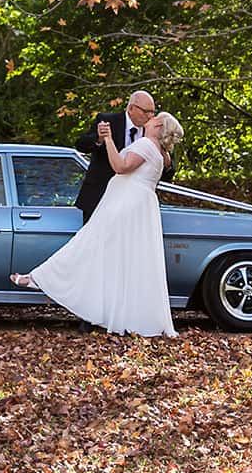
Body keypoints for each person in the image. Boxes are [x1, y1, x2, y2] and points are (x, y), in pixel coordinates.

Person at [11, 111, 184, 337]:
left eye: (153, 115)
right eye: (147, 111)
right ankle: (123, 315)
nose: (149, 117)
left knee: (88, 245)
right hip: (139, 207)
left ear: (158, 123)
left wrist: (110, 139)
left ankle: (41, 278)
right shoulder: (162, 152)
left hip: (124, 204)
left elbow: (121, 167)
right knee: (129, 262)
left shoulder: (146, 144)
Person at [73, 89, 173, 222]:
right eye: (146, 111)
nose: (150, 116)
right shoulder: (108, 121)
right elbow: (81, 145)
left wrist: (166, 161)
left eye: (152, 112)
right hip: (100, 196)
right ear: (131, 108)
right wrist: (100, 138)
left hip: (134, 204)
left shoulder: (154, 131)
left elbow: (167, 173)